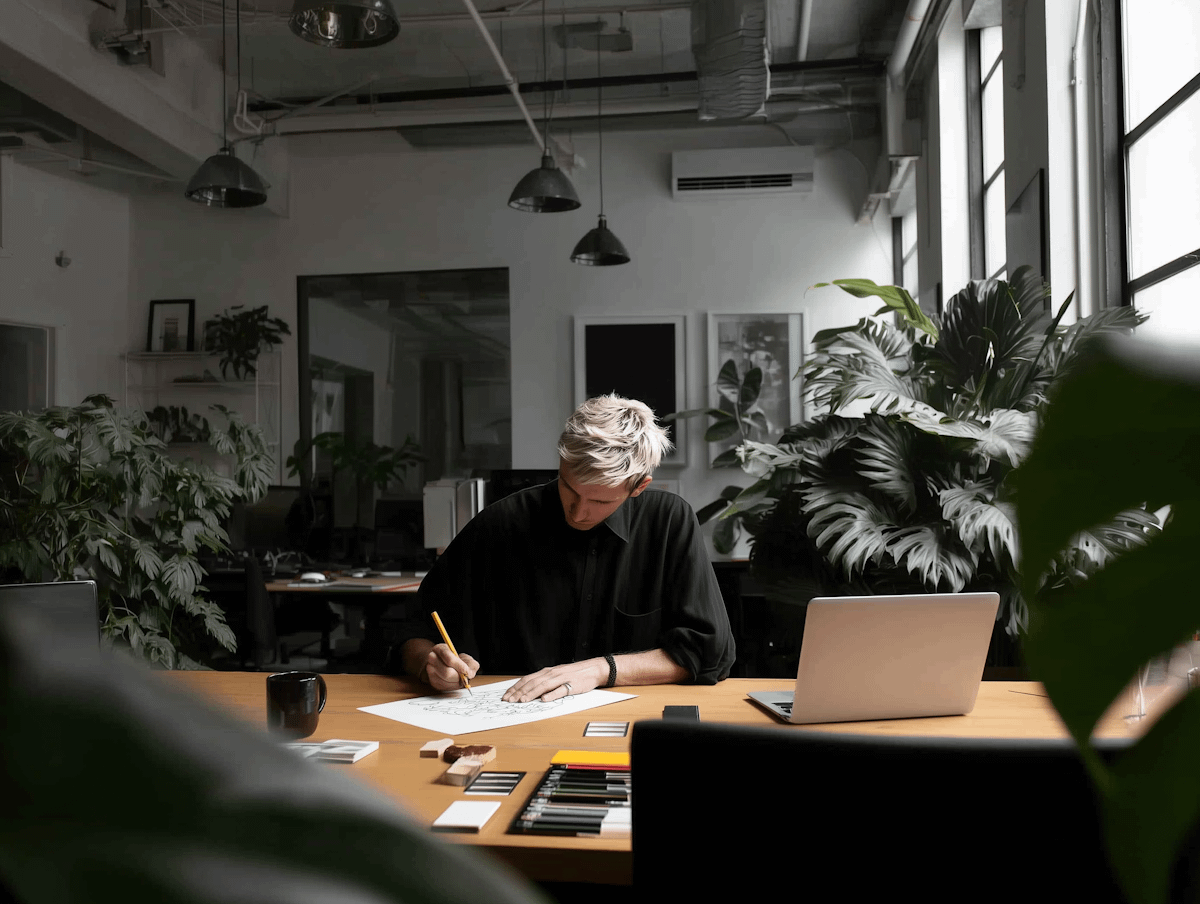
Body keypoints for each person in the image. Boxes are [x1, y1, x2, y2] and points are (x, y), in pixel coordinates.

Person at [393, 394, 736, 702]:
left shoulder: (668, 522)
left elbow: (709, 653)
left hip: (629, 721)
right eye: (569, 489)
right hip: (511, 721)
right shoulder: (502, 522)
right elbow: (411, 631)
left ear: (638, 486)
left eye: (600, 500)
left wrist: (601, 670)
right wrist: (429, 664)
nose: (578, 512)